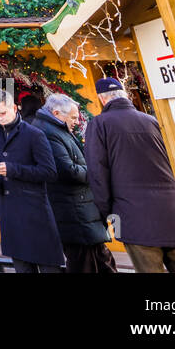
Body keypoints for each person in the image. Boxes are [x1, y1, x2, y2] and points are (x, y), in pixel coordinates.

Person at [85, 77, 175, 273]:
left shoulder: (99, 124)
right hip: (174, 213)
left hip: (131, 216)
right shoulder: (151, 121)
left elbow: (97, 173)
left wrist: (106, 214)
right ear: (125, 95)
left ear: (102, 100)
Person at [0, 89, 64, 273]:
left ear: (14, 107)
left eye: (3, 113)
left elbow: (49, 172)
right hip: (9, 210)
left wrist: (14, 169)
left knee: (49, 267)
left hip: (34, 210)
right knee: (22, 268)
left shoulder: (34, 134)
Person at [35, 93, 116, 273]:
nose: (76, 121)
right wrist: (96, 172)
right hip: (73, 211)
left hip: (80, 209)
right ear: (57, 113)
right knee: (85, 261)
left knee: (99, 258)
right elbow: (68, 170)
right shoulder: (49, 133)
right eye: (73, 117)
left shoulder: (55, 130)